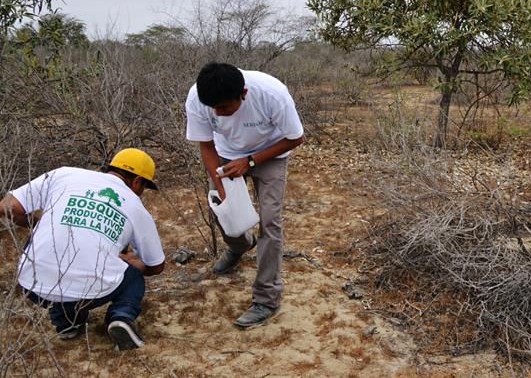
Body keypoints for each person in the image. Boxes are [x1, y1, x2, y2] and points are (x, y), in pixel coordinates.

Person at [0, 148, 165, 350]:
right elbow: (156, 266)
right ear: (137, 181)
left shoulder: (63, 174)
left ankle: (66, 324)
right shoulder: (135, 206)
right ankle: (121, 316)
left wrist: (38, 222)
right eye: (144, 187)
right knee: (133, 278)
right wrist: (124, 261)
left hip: (32, 285)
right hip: (91, 291)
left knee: (49, 246)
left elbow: (8, 206)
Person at [185, 62, 304, 328]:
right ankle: (240, 246)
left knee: (270, 222)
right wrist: (221, 184)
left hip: (271, 152)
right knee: (222, 209)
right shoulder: (198, 97)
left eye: (224, 108)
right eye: (213, 109)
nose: (218, 113)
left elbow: (295, 138)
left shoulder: (272, 94)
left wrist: (250, 161)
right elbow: (205, 143)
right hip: (225, 155)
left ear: (244, 94)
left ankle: (266, 298)